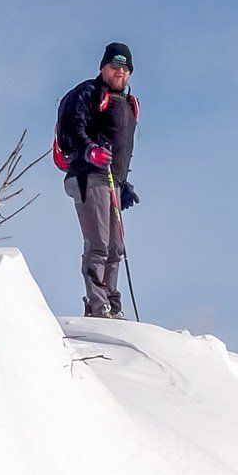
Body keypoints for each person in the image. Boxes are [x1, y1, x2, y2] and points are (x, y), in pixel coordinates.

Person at [57, 43, 139, 318]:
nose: (119, 72)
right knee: (99, 243)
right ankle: (97, 304)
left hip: (112, 181)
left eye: (125, 68)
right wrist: (88, 150)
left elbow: (121, 148)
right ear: (103, 67)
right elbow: (72, 126)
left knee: (116, 247)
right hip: (89, 175)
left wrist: (123, 183)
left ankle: (111, 304)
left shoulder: (127, 104)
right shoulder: (88, 93)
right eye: (114, 66)